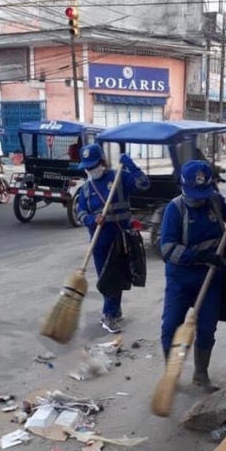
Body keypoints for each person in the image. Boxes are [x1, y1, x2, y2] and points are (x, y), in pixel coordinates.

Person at [159, 160, 226, 392]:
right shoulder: (174, 209)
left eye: (203, 193)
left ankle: (201, 373)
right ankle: (171, 374)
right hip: (181, 280)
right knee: (171, 326)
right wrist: (200, 255)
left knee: (206, 328)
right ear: (183, 187)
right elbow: (167, 249)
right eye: (195, 193)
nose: (199, 199)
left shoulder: (213, 201)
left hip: (211, 278)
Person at [75, 143, 150, 334]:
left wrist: (131, 165)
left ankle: (112, 312)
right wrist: (93, 219)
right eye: (87, 167)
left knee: (117, 277)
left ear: (102, 162)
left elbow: (144, 184)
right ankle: (111, 313)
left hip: (121, 239)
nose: (90, 170)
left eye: (93, 165)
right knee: (107, 278)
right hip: (99, 242)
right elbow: (80, 212)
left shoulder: (119, 178)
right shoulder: (85, 189)